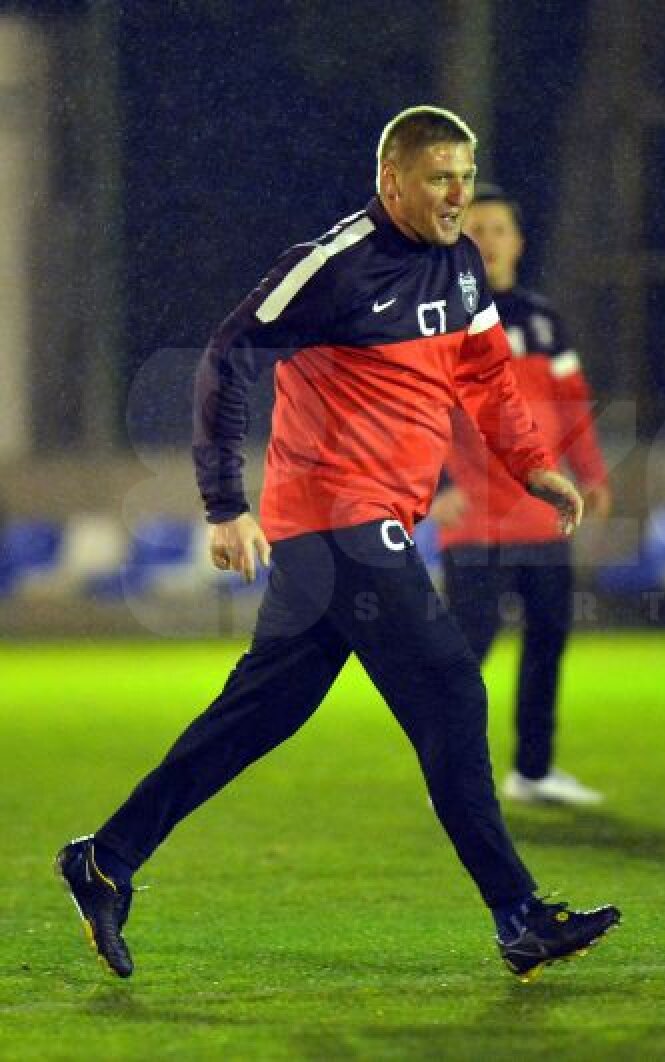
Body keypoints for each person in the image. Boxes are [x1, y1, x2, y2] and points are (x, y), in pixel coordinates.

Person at [56, 106, 619, 981]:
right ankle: (518, 915)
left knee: (259, 713)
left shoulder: (462, 262)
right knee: (450, 690)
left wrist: (532, 466)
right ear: (391, 180)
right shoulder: (334, 265)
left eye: (466, 178)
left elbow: (484, 376)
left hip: (366, 521)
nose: (457, 196)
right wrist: (222, 503)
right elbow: (227, 354)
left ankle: (105, 860)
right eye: (440, 178)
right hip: (337, 518)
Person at [430, 185, 611, 806]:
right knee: (465, 652)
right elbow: (414, 413)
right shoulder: (440, 317)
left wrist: (592, 475)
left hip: (542, 516)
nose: (488, 238)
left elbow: (573, 407)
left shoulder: (543, 319)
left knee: (548, 642)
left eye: (499, 228)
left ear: (518, 242)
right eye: (475, 228)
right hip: (475, 520)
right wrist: (433, 487)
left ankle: (533, 772)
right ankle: (450, 777)